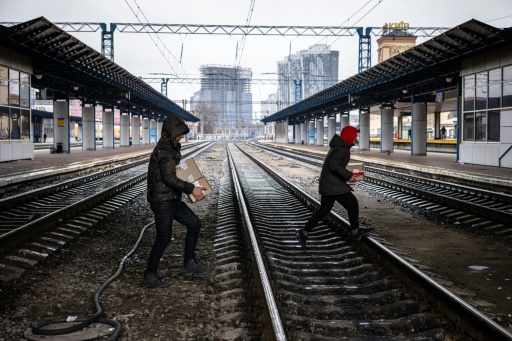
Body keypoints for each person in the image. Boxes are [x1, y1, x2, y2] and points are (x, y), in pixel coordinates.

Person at [143, 115, 209, 288]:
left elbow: (175, 175)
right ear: (172, 132)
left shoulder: (171, 147)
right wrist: (191, 188)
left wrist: (189, 181)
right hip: (162, 200)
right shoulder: (165, 150)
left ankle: (189, 264)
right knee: (164, 237)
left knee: (194, 223)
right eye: (180, 133)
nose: (182, 136)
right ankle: (149, 275)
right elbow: (169, 178)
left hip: (172, 198)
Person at [296, 126, 374, 250]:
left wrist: (348, 173)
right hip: (333, 185)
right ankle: (355, 231)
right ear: (349, 136)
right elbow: (334, 166)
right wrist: (349, 176)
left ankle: (304, 232)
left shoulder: (340, 147)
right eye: (354, 136)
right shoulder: (341, 149)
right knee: (352, 203)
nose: (356, 138)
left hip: (328, 183)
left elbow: (336, 165)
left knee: (324, 210)